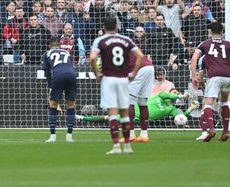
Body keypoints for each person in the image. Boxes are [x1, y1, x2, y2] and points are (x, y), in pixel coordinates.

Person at [90, 16, 144, 155]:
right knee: (124, 113)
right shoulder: (126, 40)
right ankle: (127, 147)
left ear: (104, 27)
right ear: (116, 26)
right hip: (123, 79)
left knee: (113, 114)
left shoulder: (100, 40)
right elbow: (140, 56)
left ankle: (115, 147)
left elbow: (92, 57)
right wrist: (133, 73)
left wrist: (97, 73)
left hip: (108, 79)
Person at [191, 22, 230, 142]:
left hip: (214, 76)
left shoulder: (205, 44)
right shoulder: (228, 43)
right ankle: (225, 132)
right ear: (222, 32)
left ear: (210, 32)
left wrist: (194, 75)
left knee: (208, 103)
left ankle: (210, 129)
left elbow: (194, 58)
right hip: (228, 76)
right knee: (224, 103)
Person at [76, 89, 198, 125]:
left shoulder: (172, 109)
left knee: (110, 118)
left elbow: (182, 118)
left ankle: (82, 117)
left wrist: (190, 109)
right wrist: (182, 95)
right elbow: (167, 94)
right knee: (108, 116)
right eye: (174, 92)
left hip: (137, 119)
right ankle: (82, 118)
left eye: (176, 93)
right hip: (132, 109)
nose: (174, 94)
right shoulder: (161, 96)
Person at [41, 37, 77, 143]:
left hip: (58, 75)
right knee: (71, 105)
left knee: (52, 105)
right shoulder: (66, 53)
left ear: (49, 46)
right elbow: (71, 66)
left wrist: (50, 86)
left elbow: (47, 72)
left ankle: (52, 137)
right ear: (59, 45)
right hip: (71, 75)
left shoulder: (46, 54)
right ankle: (69, 137)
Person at [128, 53, 154, 143]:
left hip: (140, 68)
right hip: (149, 67)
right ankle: (144, 135)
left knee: (128, 102)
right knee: (142, 102)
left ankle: (131, 135)